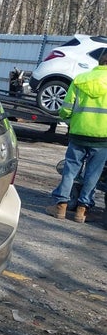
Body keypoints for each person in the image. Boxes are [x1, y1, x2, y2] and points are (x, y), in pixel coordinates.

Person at [47, 47, 107, 223]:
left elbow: (65, 110)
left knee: (70, 170)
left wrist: (70, 120)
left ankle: (61, 207)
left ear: (99, 62)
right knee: (93, 174)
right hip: (103, 139)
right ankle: (82, 210)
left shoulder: (80, 80)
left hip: (78, 133)